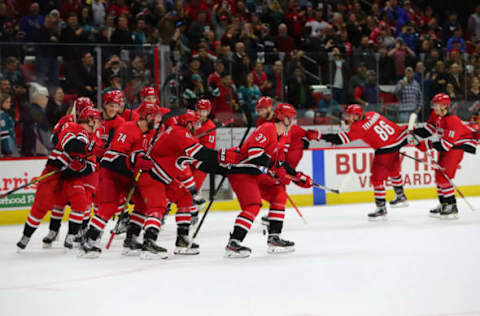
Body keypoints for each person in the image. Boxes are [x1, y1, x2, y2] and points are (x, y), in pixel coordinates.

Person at [225, 104, 314, 258]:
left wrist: (297, 177)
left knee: (279, 193)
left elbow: (280, 163)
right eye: (291, 118)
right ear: (283, 118)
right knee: (253, 205)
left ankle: (274, 238)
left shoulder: (285, 135)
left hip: (257, 173)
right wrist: (275, 168)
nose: (293, 121)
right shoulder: (267, 128)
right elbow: (255, 154)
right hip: (242, 170)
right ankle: (234, 243)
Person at [80, 101, 158, 258]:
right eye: (155, 117)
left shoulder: (149, 135)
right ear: (146, 116)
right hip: (111, 172)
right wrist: (134, 162)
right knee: (109, 206)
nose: (157, 121)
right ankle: (89, 240)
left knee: (142, 203)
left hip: (128, 175)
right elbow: (112, 157)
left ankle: (131, 239)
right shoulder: (129, 128)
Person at [16, 106, 100, 250]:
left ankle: (71, 236)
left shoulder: (92, 138)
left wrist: (79, 167)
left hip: (71, 177)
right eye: (94, 120)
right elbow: (70, 144)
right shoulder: (71, 127)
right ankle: (26, 236)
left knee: (80, 201)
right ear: (88, 120)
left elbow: (91, 166)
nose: (96, 124)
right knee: (41, 205)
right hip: (53, 172)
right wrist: (89, 149)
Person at [317, 104, 409, 219]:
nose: (348, 118)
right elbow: (391, 126)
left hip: (385, 149)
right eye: (347, 115)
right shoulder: (373, 114)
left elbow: (339, 139)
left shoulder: (358, 128)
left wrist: (320, 136)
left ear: (357, 115)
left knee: (377, 179)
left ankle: (381, 208)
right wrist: (404, 136)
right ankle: (401, 196)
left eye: (350, 116)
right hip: (396, 141)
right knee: (393, 170)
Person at [412, 93, 477, 219]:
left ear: (445, 106)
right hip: (447, 145)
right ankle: (444, 204)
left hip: (456, 148)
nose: (434, 107)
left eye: (437, 105)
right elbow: (428, 130)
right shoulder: (435, 114)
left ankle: (451, 206)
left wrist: (425, 145)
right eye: (434, 104)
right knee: (438, 176)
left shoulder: (453, 121)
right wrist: (412, 132)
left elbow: (444, 146)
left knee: (444, 177)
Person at [191, 99, 216, 224]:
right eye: (199, 110)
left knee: (193, 189)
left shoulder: (210, 127)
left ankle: (193, 213)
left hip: (201, 163)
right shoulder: (191, 121)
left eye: (204, 111)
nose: (201, 113)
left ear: (208, 112)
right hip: (188, 160)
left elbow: (206, 151)